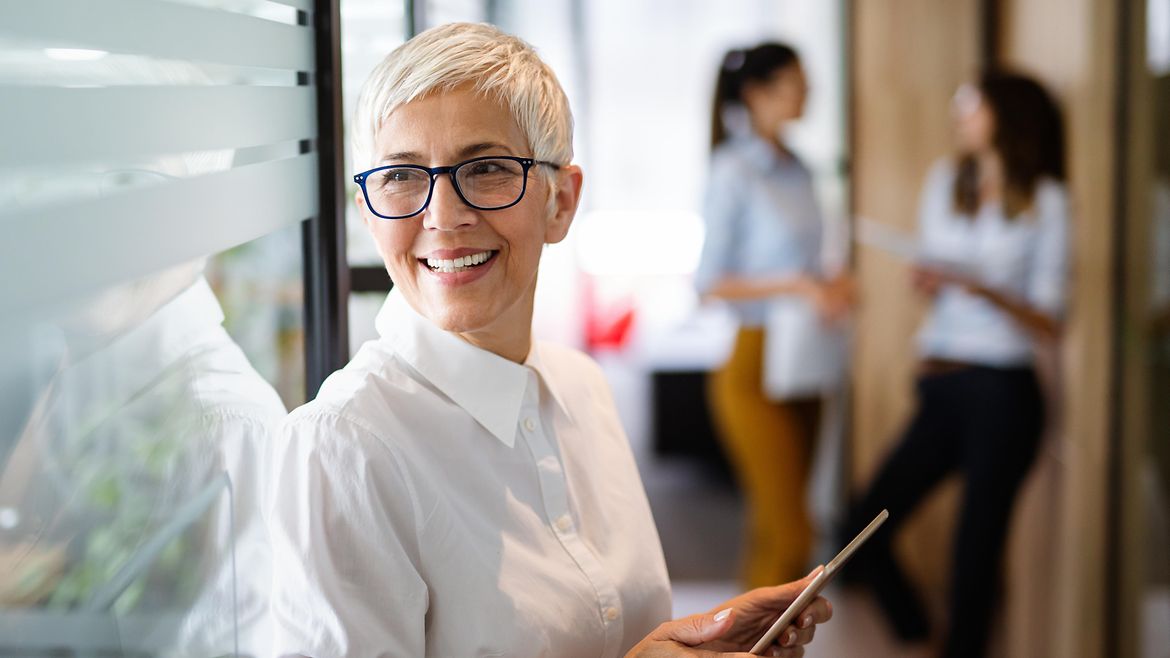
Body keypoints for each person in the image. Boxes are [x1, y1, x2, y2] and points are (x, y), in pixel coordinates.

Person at [265, 23, 831, 657]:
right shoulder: (342, 451)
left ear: (561, 201)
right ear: (369, 211)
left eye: (484, 169)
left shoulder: (581, 387)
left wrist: (700, 639)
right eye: (400, 175)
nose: (443, 216)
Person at [843, 71, 1070, 658]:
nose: (959, 115)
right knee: (864, 527)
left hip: (1004, 390)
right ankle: (922, 638)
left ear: (1006, 114)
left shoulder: (1046, 199)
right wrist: (930, 279)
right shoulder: (946, 181)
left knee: (975, 554)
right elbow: (932, 272)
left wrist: (982, 287)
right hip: (940, 383)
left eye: (971, 105)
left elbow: (1051, 320)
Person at [695, 42, 852, 589]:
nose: (807, 90)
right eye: (795, 81)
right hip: (754, 362)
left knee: (774, 529)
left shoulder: (801, 169)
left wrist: (828, 285)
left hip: (804, 356)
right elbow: (710, 284)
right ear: (757, 94)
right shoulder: (735, 169)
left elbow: (806, 264)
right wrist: (798, 286)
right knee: (792, 534)